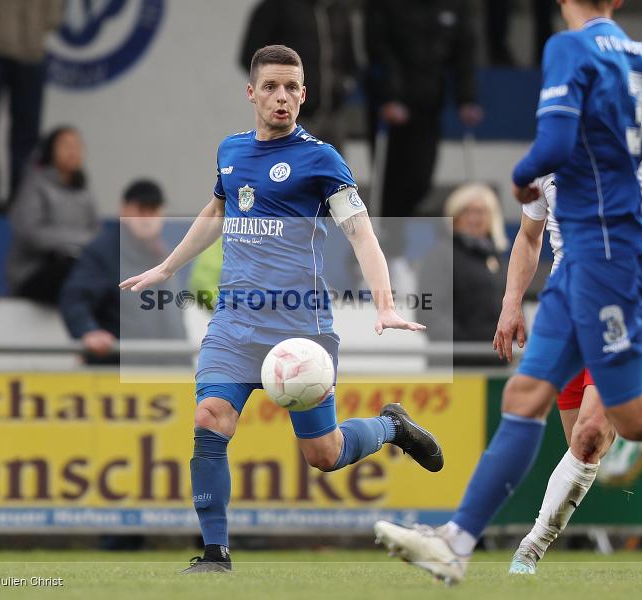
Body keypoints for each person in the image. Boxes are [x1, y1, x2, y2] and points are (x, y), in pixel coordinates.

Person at [374, 0, 642, 585]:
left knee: (608, 429)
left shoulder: (573, 52)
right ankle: (456, 543)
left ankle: (527, 547)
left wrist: (523, 172)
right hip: (570, 286)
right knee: (526, 401)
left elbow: (552, 144)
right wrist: (512, 303)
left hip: (618, 283)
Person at [119, 45, 443, 573]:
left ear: (304, 94)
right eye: (271, 87)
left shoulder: (321, 159)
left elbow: (361, 233)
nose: (282, 97)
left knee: (324, 454)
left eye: (292, 87)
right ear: (251, 92)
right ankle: (216, 553)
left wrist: (384, 305)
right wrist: (166, 269)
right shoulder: (231, 151)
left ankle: (391, 427)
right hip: (234, 325)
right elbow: (217, 210)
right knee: (209, 418)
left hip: (300, 331)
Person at [494, 145, 642, 574]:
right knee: (591, 442)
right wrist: (511, 302)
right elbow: (529, 235)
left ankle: (532, 547)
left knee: (591, 435)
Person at [364, 0, 483, 266]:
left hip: (429, 106)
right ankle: (383, 255)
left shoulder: (454, 7)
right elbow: (377, 47)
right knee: (389, 185)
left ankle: (393, 250)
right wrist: (390, 97)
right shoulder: (386, 6)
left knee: (421, 180)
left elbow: (464, 51)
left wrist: (466, 98)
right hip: (390, 110)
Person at [60, 179, 188, 365]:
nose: (147, 219)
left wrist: (183, 366)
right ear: (124, 209)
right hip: (115, 374)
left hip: (163, 374)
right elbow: (74, 297)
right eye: (141, 210)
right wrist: (87, 331)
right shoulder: (103, 251)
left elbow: (173, 321)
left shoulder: (165, 256)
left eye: (153, 210)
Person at [0, 0, 65, 214]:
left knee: (27, 132)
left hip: (31, 48)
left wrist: (45, 20)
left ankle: (22, 198)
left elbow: (54, 12)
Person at [238, 0, 358, 150]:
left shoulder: (338, 10)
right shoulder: (276, 7)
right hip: (292, 117)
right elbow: (251, 58)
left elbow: (350, 61)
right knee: (288, 170)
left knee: (332, 172)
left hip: (334, 116)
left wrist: (345, 85)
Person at [7, 126, 100, 305]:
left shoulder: (84, 190)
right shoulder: (35, 183)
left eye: (77, 146)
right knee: (70, 270)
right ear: (50, 150)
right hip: (35, 273)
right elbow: (31, 233)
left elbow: (96, 234)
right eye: (66, 145)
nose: (72, 151)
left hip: (74, 267)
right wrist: (78, 241)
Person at [446, 183, 507, 345]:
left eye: (481, 212)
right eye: (467, 211)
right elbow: (430, 313)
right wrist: (465, 343)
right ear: (455, 216)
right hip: (459, 360)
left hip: (496, 357)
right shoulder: (441, 254)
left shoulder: (495, 256)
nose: (474, 218)